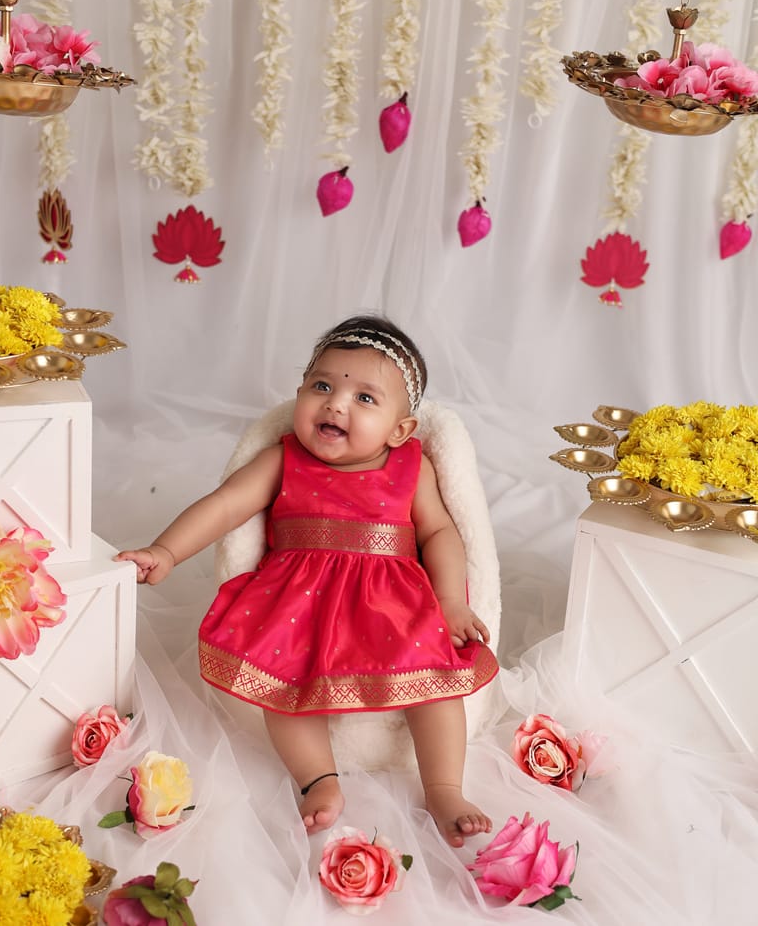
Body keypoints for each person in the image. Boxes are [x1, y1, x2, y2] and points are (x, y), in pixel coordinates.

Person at [116, 315, 499, 847]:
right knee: (283, 687)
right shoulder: (283, 458)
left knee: (436, 685)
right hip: (298, 599)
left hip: (393, 602)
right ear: (300, 392)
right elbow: (225, 505)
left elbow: (441, 533)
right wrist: (167, 550)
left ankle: (444, 788)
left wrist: (450, 602)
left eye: (365, 398)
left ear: (400, 428)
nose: (336, 404)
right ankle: (318, 780)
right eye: (322, 386)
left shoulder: (412, 467)